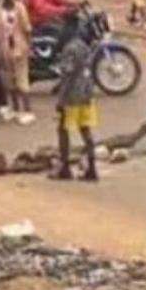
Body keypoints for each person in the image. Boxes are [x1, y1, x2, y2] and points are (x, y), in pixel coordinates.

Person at [53, 22, 98, 182]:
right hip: (86, 93)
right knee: (85, 129)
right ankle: (92, 167)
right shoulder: (83, 46)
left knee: (63, 129)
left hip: (72, 96)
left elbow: (68, 75)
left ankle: (64, 167)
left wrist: (60, 99)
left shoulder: (69, 49)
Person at [0, 0, 35, 125]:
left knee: (22, 79)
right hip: (4, 49)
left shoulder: (19, 8)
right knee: (9, 81)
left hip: (19, 48)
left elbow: (27, 28)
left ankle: (27, 110)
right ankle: (15, 108)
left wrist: (29, 46)